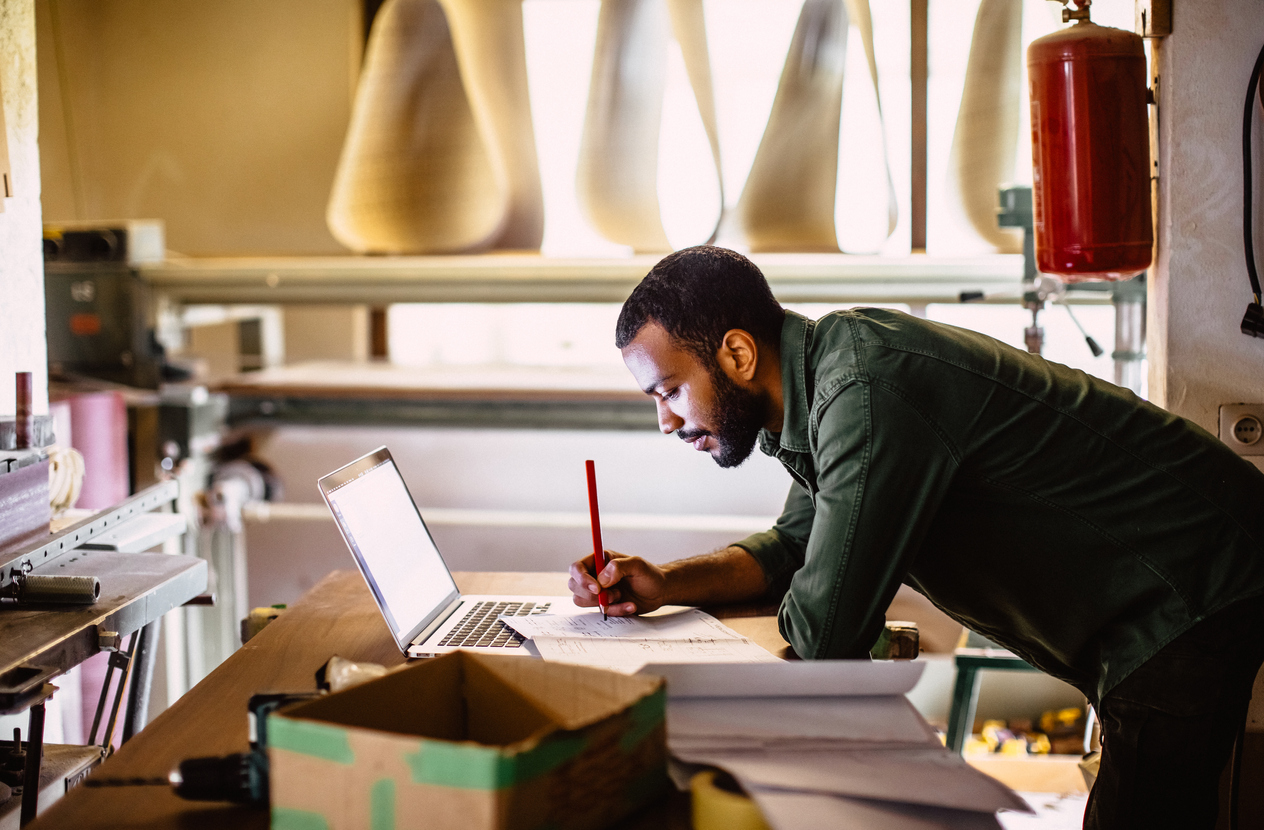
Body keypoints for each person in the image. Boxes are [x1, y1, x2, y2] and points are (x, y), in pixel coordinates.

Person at [567, 245, 1264, 829]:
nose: (665, 420)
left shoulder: (865, 393)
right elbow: (792, 547)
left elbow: (826, 630)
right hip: (1170, 590)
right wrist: (665, 583)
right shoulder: (829, 382)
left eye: (668, 390)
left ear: (739, 355)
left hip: (1188, 590)